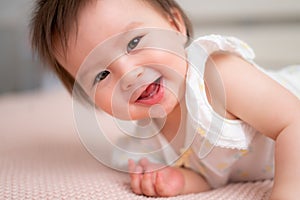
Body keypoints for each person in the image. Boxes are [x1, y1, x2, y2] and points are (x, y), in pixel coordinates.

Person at [30, 0, 300, 199]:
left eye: (134, 42)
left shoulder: (218, 74)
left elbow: (293, 122)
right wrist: (179, 181)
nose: (128, 74)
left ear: (175, 25)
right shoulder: (150, 136)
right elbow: (215, 172)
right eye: (101, 74)